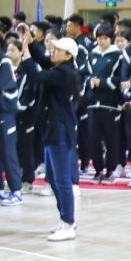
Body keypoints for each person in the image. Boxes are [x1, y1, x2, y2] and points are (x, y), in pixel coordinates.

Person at [36, 37, 81, 242]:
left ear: (69, 55)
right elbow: (42, 60)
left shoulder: (64, 72)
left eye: (58, 50)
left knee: (62, 179)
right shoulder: (59, 68)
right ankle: (65, 218)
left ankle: (69, 223)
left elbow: (37, 74)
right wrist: (30, 44)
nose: (52, 52)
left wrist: (26, 58)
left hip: (60, 129)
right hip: (52, 129)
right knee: (53, 178)